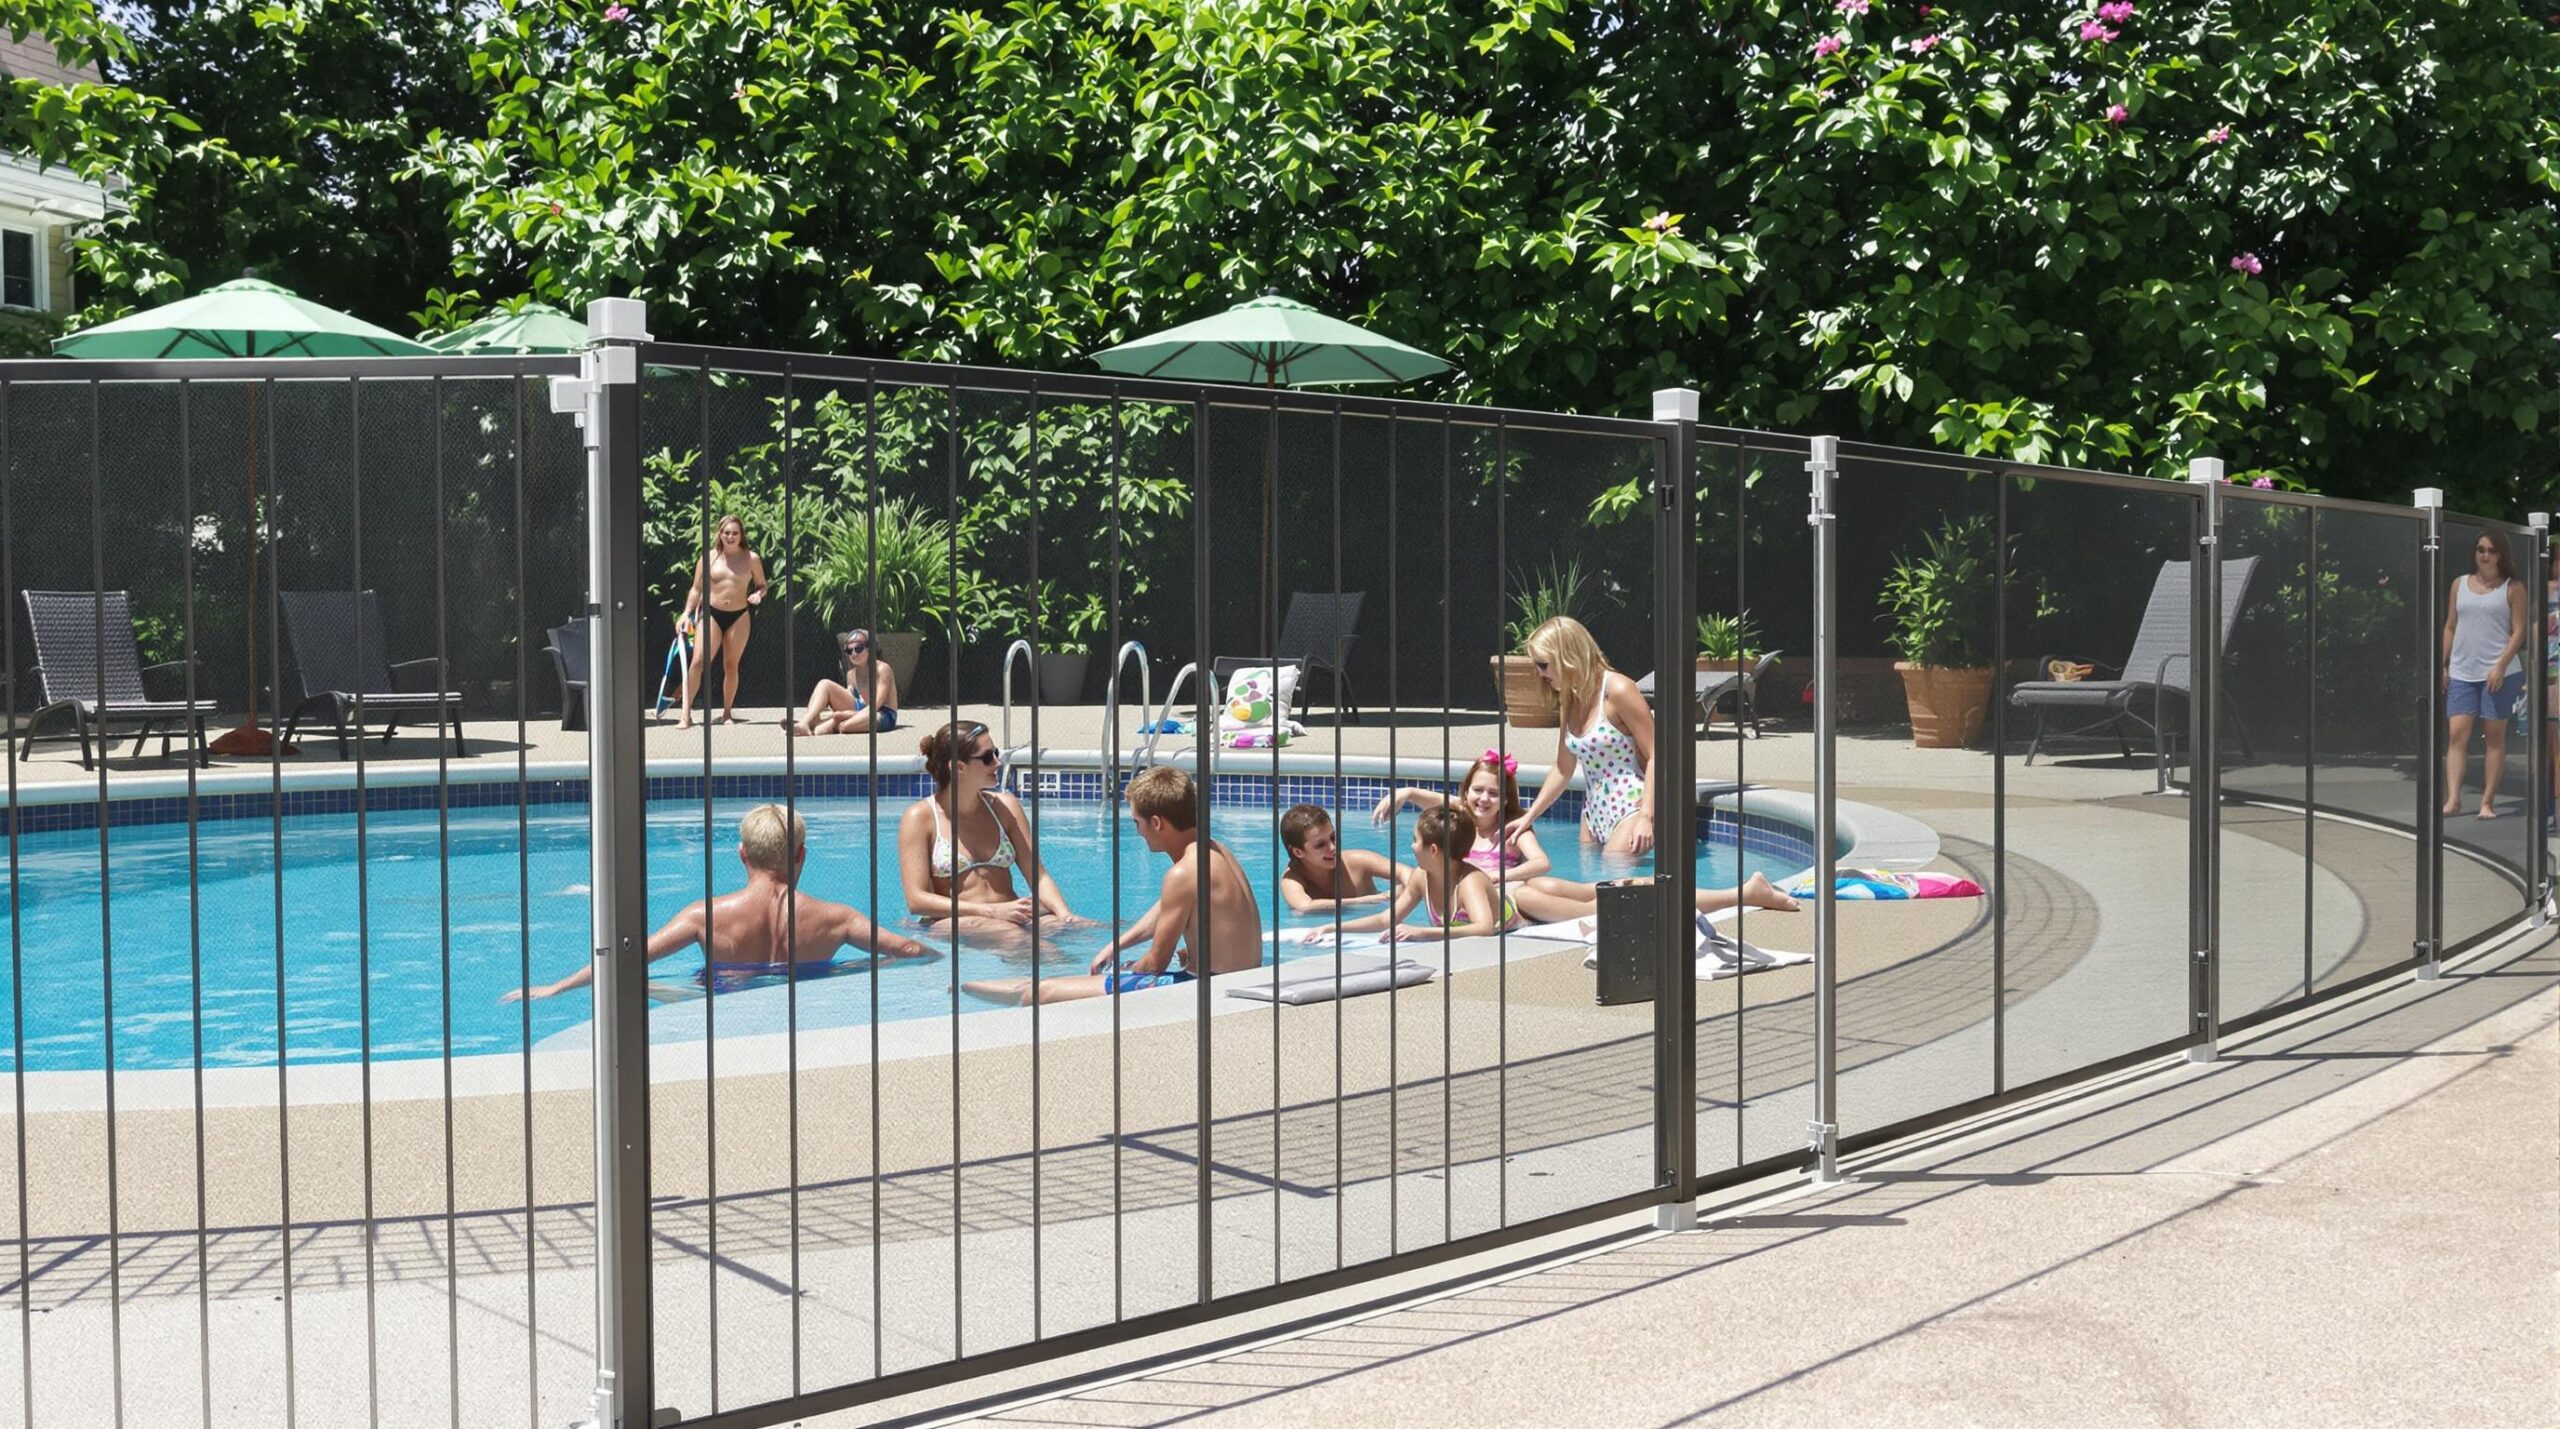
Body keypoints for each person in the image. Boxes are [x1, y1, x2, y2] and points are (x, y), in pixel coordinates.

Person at [500, 804, 928, 1002]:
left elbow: (624, 958)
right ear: (801, 855)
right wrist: (853, 968)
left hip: (719, 1000)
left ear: (742, 855)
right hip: (807, 996)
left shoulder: (704, 916)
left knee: (636, 984)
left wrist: (553, 989)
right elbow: (913, 952)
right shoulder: (838, 919)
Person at [967, 766, 1261, 1004]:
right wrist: (1116, 946)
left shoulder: (1182, 873)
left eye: (1137, 822)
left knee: (1042, 993)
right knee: (1071, 982)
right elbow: (1166, 908)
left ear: (1156, 823)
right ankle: (966, 987)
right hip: (1237, 979)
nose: (1139, 832)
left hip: (1207, 989)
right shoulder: (1215, 851)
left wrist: (1125, 972)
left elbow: (1156, 963)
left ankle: (961, 991)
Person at [897, 720, 1081, 939]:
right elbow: (916, 900)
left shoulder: (1005, 806)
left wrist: (1065, 916)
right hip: (954, 922)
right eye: (987, 758)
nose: (997, 762)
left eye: (996, 753)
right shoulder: (920, 818)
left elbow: (1038, 876)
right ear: (958, 767)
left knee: (1086, 931)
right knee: (1016, 938)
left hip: (1013, 915)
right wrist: (992, 911)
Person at [1501, 617, 1657, 855]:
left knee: (1609, 881)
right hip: (1593, 811)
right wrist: (1528, 817)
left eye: (1543, 664)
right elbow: (1563, 768)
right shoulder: (1569, 698)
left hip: (1631, 806)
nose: (1540, 674)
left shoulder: (1619, 690)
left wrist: (1648, 814)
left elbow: (1658, 755)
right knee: (1589, 880)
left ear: (1567, 657)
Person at [1316, 806, 1517, 943]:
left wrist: (1422, 932)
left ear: (1433, 850)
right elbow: (1388, 918)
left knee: (1535, 896)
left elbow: (1484, 928)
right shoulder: (1422, 876)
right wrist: (1334, 928)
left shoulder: (1469, 882)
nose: (1412, 846)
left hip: (1518, 913)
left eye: (1416, 840)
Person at [2441, 528, 2527, 819]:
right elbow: (2450, 625)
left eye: (2491, 550)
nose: (2485, 555)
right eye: (2481, 549)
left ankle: (2487, 802)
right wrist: (2444, 663)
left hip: (2499, 673)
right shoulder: (2459, 584)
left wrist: (2501, 665)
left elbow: (2519, 631)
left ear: (2501, 554)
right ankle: (2453, 799)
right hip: (2463, 671)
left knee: (2493, 737)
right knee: (2456, 735)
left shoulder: (2512, 588)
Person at [1372, 749, 1551, 881]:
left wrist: (1498, 876)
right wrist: (1407, 793)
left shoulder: (1512, 829)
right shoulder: (1462, 816)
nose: (1484, 799)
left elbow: (1541, 863)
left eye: (1494, 793)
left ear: (1505, 800)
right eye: (1478, 790)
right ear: (1466, 793)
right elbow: (1436, 800)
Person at [674, 513, 769, 728]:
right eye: (727, 532)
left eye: (735, 533)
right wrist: (686, 613)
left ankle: (727, 713)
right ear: (720, 534)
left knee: (731, 665)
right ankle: (685, 714)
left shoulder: (751, 558)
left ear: (741, 535)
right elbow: (696, 589)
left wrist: (758, 595)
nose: (731, 536)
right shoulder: (708, 558)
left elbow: (763, 585)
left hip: (739, 615)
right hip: (711, 613)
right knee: (698, 661)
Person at [1279, 803, 1396, 912]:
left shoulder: (1358, 861)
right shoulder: (1291, 879)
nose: (1333, 847)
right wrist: (1374, 899)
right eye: (1320, 845)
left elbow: (1409, 875)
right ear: (1298, 852)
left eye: (1333, 837)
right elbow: (1305, 906)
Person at [793, 628, 900, 736]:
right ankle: (804, 723)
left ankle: (831, 723)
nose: (853, 653)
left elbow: (876, 705)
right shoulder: (851, 674)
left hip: (881, 713)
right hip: (859, 709)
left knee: (845, 727)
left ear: (870, 649)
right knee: (824, 683)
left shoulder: (882, 669)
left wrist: (844, 715)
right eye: (849, 650)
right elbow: (850, 697)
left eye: (858, 649)